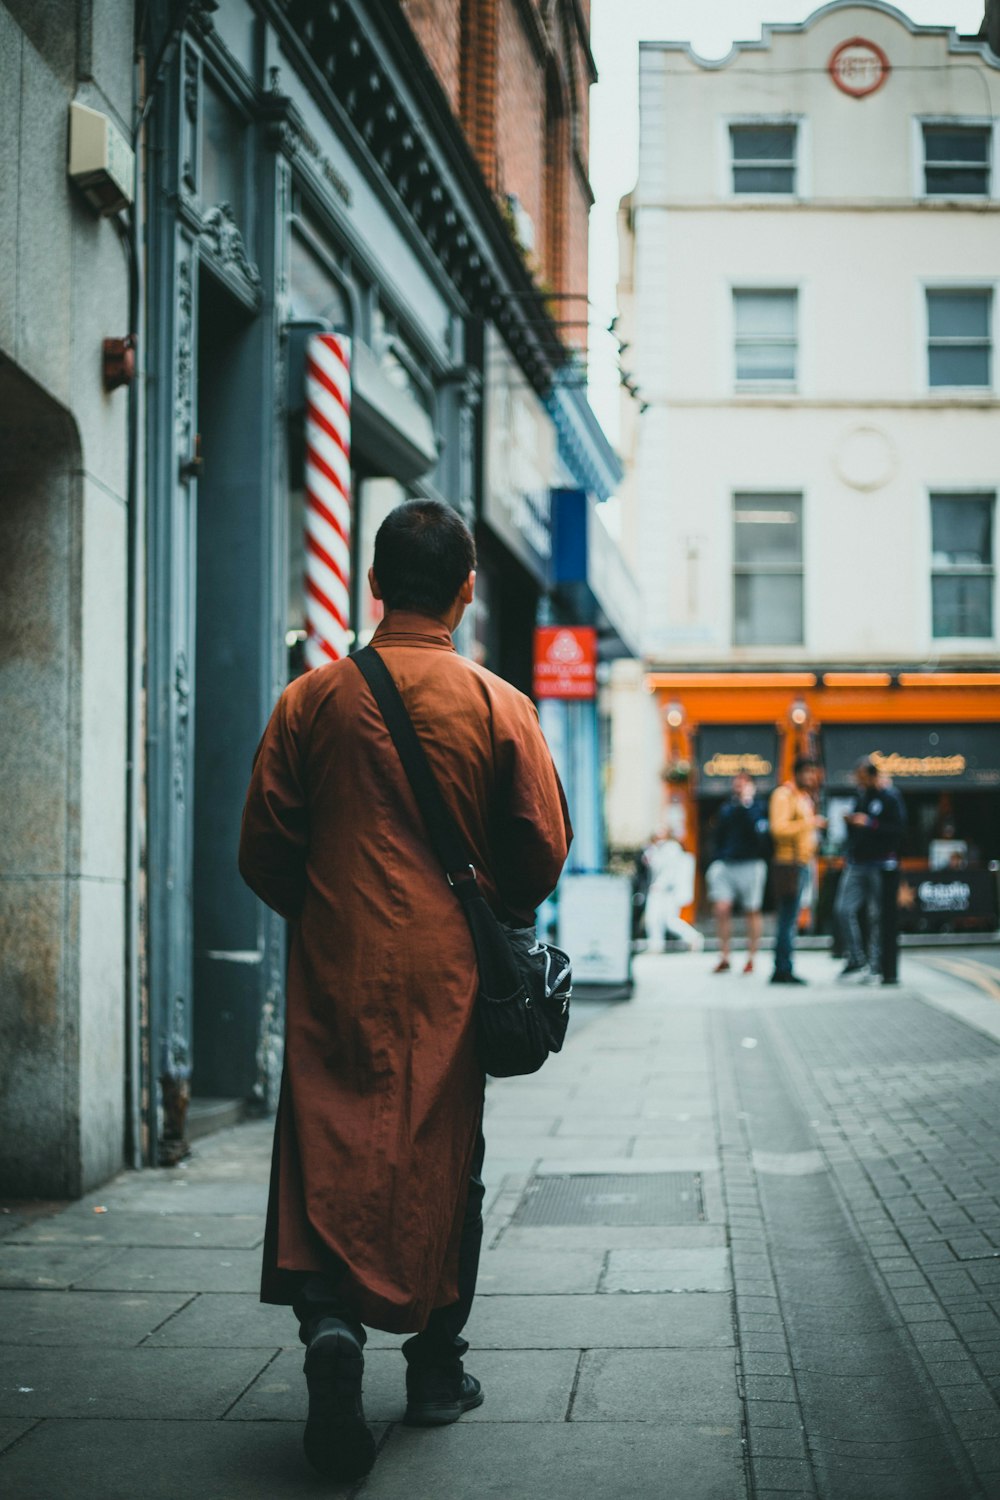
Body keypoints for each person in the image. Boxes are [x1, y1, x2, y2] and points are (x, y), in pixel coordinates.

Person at [238, 500, 571, 1482]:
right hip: (449, 976)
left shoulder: (309, 701)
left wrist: (334, 903)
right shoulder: (498, 703)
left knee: (328, 1141)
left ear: (373, 585)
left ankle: (332, 1325)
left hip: (336, 960)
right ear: (467, 593)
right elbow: (539, 853)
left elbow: (262, 849)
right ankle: (433, 1369)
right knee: (440, 1154)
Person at [834, 758, 906, 984]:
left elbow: (899, 830)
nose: (859, 781)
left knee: (878, 916)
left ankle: (876, 966)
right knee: (842, 909)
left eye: (862, 777)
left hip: (881, 864)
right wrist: (850, 823)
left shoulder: (890, 797)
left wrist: (870, 823)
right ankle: (857, 958)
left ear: (873, 775)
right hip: (857, 862)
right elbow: (856, 829)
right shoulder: (861, 796)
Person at [768, 755, 826, 985]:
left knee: (790, 918)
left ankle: (784, 966)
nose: (813, 778)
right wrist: (811, 823)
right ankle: (783, 969)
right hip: (788, 864)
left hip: (801, 863)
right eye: (809, 773)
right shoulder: (784, 795)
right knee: (787, 918)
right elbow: (778, 829)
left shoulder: (802, 797)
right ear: (798, 772)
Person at [706, 773, 770, 974]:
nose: (738, 788)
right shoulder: (727, 808)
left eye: (742, 785)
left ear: (751, 787)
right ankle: (724, 955)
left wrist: (747, 805)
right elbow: (718, 834)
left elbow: (761, 835)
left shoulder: (759, 808)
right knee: (721, 908)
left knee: (751, 910)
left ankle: (751, 957)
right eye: (736, 785)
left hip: (751, 863)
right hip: (727, 863)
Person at [642, 828, 704, 952]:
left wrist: (661, 884)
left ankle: (692, 937)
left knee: (667, 920)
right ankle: (656, 944)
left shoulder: (671, 849)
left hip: (666, 891)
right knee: (655, 919)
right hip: (661, 890)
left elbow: (669, 870)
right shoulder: (657, 849)